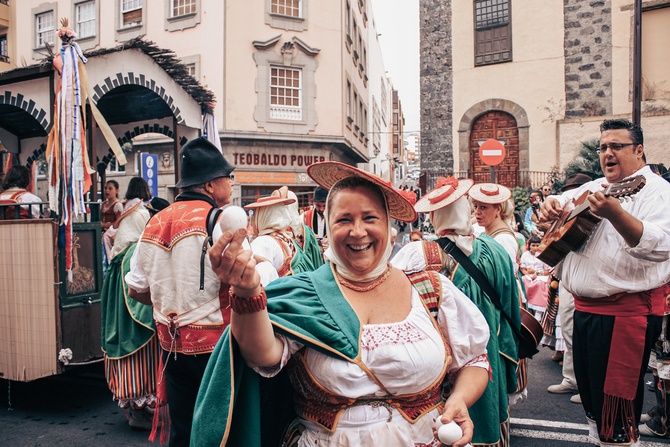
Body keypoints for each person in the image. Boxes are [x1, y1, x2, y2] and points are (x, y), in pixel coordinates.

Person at [192, 161, 491, 447]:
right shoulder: (305, 295)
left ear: (389, 228)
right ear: (329, 228)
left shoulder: (431, 290)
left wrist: (459, 400)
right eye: (344, 220)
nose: (357, 231)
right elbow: (264, 355)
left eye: (370, 218)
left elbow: (473, 360)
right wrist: (246, 291)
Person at [125, 137, 276, 446]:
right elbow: (249, 282)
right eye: (227, 178)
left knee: (184, 429)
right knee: (225, 428)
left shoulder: (153, 222)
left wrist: (171, 309)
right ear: (209, 185)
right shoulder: (221, 219)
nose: (231, 185)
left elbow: (136, 288)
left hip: (171, 347)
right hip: (217, 348)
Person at [540, 118, 670, 446]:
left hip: (624, 317)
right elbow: (557, 211)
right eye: (602, 147)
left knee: (617, 412)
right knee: (595, 407)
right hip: (586, 312)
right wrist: (550, 208)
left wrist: (616, 214)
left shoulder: (659, 192)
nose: (607, 153)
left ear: (639, 151)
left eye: (616, 146)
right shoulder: (595, 187)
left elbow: (662, 246)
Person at [391, 176, 521, 447]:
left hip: (437, 359)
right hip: (486, 356)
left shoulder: (418, 253)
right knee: (482, 415)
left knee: (445, 424)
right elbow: (510, 311)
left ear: (436, 216)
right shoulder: (495, 250)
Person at [100, 193, 169, 431]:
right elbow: (140, 291)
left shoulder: (121, 253)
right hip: (133, 322)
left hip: (120, 321)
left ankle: (138, 409)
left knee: (131, 364)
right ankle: (137, 413)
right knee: (140, 364)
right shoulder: (132, 253)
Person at [546, 173, 593, 400]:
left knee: (584, 335)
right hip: (566, 276)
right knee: (567, 328)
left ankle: (587, 386)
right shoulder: (568, 204)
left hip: (586, 278)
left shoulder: (593, 208)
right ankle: (571, 378)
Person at [286, 189, 324, 271]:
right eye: (318, 206)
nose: (321, 209)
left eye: (324, 206)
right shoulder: (305, 217)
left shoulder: (335, 216)